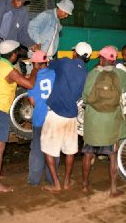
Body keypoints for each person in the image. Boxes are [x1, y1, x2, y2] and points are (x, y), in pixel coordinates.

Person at [81, 46, 126, 197]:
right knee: (113, 156)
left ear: (102, 59)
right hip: (112, 124)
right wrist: (125, 69)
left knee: (88, 155)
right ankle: (113, 189)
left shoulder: (93, 73)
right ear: (113, 60)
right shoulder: (120, 74)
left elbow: (85, 97)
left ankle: (85, 185)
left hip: (93, 124)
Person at [0, 40, 38, 192]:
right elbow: (30, 85)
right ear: (13, 55)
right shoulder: (9, 69)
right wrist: (35, 69)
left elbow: (14, 78)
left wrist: (24, 76)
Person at [40, 42, 92, 193]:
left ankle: (56, 183)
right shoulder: (86, 74)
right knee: (70, 151)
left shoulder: (65, 63)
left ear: (75, 53)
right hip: (71, 116)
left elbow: (48, 64)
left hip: (55, 113)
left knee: (48, 150)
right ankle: (67, 181)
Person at [27, 50, 59, 185]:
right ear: (46, 62)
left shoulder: (33, 79)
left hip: (40, 119)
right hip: (55, 118)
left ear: (35, 64)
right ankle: (51, 179)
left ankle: (34, 180)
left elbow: (32, 101)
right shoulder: (55, 75)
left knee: (37, 150)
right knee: (54, 149)